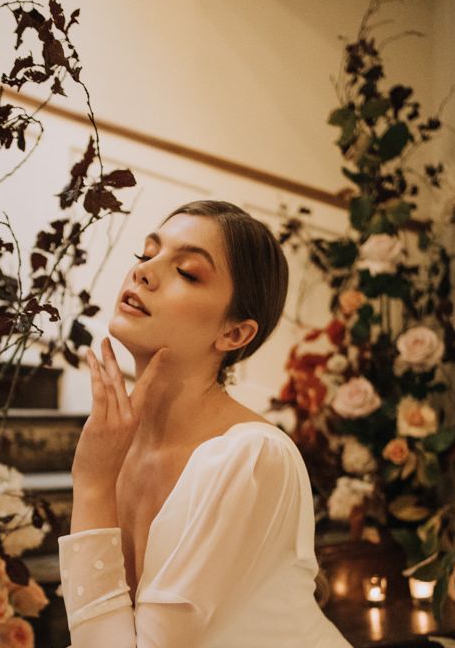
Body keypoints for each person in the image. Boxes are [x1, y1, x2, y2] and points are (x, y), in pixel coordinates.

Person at [58, 201, 352, 647]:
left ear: (234, 334)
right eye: (146, 254)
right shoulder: (118, 444)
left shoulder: (250, 459)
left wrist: (93, 484)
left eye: (188, 272)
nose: (143, 273)